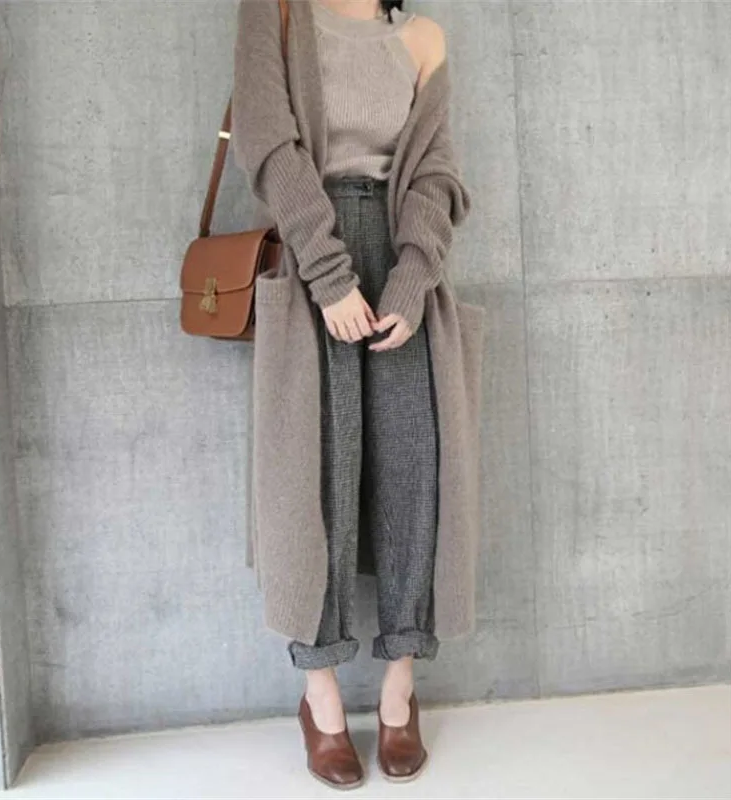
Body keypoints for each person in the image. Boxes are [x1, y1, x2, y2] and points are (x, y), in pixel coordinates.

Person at [231, 0, 481, 789]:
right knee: (317, 483)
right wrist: (329, 273)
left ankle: (401, 688)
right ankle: (322, 698)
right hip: (313, 252)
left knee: (415, 476)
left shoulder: (423, 37)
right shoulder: (276, 13)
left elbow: (436, 172)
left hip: (403, 261)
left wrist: (412, 279)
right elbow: (267, 143)